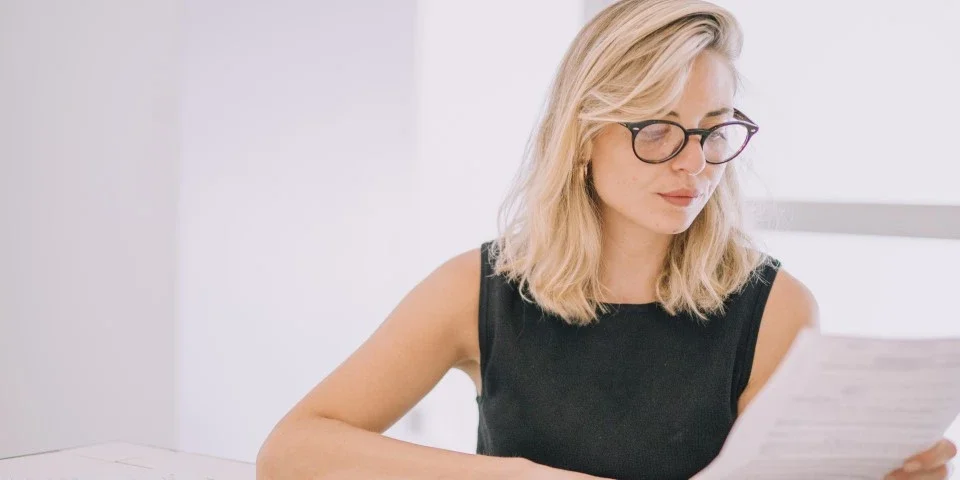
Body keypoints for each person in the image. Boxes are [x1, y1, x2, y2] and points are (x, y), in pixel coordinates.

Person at [256, 0, 958, 478]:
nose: (694, 163)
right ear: (583, 136)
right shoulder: (476, 290)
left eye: (714, 129)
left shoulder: (775, 309)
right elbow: (292, 450)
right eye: (656, 129)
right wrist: (511, 477)